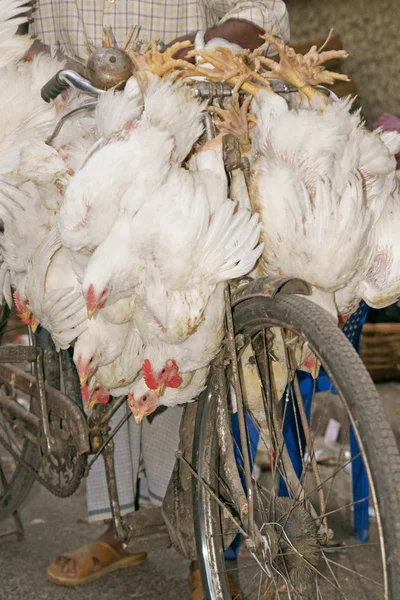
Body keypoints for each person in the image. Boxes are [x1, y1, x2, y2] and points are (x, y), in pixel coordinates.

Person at [25, 1, 290, 597]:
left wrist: (200, 49)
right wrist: (45, 62)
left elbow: (260, 11)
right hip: (78, 122)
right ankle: (115, 531)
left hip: (189, 128)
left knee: (196, 355)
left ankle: (206, 546)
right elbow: (21, 28)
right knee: (102, 342)